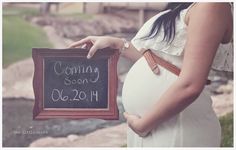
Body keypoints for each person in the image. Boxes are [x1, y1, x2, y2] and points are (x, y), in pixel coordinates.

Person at [68, 2, 233, 147]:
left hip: (178, 125)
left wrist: (144, 125)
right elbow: (159, 60)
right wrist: (117, 43)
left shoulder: (213, 5)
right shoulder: (183, 6)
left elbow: (191, 84)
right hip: (154, 124)